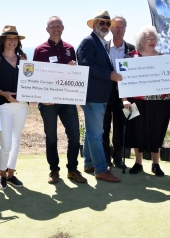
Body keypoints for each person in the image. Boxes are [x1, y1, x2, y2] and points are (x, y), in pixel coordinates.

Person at [33, 16, 87, 184]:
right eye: (53, 26)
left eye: (58, 26)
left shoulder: (70, 48)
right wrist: (41, 97)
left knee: (75, 136)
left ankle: (72, 170)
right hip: (48, 102)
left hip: (67, 100)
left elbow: (73, 75)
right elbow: (34, 77)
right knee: (51, 137)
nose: (56, 29)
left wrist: (74, 69)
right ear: (47, 29)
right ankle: (54, 170)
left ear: (63, 28)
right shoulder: (39, 50)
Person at [121, 25, 170, 176]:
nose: (152, 41)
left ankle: (156, 164)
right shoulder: (129, 57)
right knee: (136, 131)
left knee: (157, 131)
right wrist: (124, 100)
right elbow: (122, 81)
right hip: (134, 102)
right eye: (148, 38)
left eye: (154, 38)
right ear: (141, 41)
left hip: (160, 102)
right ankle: (138, 163)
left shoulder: (164, 57)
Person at [76, 10, 122, 183]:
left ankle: (89, 163)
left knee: (91, 131)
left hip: (99, 96)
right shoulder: (88, 42)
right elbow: (86, 66)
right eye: (101, 23)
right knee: (97, 133)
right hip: (92, 96)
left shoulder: (100, 42)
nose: (104, 26)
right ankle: (101, 169)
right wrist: (109, 74)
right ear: (94, 25)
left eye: (107, 23)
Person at [0, 25, 29, 190]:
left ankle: (11, 174)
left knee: (16, 142)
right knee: (6, 144)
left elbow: (32, 82)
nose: (12, 41)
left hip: (22, 106)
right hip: (3, 106)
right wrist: (4, 94)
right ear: (3, 40)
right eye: (9, 38)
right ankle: (1, 175)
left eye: (15, 38)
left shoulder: (24, 60)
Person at [103, 16, 135, 168]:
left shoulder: (132, 49)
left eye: (122, 27)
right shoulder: (103, 47)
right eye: (116, 27)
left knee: (120, 128)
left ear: (125, 29)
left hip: (125, 96)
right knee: (104, 128)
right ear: (110, 28)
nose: (119, 30)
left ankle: (118, 159)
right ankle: (106, 159)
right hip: (106, 93)